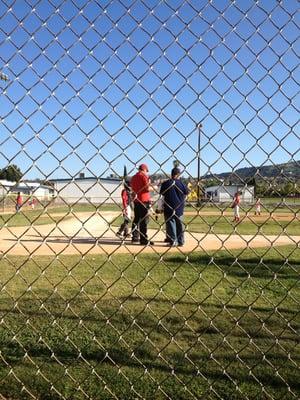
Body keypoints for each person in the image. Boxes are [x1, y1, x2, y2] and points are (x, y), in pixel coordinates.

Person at [160, 167, 188, 247]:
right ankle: (181, 241)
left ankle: (173, 241)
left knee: (171, 224)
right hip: (179, 208)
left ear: (172, 174)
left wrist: (160, 207)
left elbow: (162, 195)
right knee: (180, 225)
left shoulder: (166, 183)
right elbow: (186, 193)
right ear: (178, 174)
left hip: (168, 207)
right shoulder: (182, 184)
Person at [130, 164, 154, 245]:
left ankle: (135, 237)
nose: (147, 173)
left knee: (136, 219)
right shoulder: (143, 176)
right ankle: (143, 239)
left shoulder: (133, 177)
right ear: (144, 169)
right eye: (146, 171)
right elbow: (147, 188)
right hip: (144, 201)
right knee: (144, 220)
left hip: (136, 200)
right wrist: (155, 188)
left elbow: (133, 188)